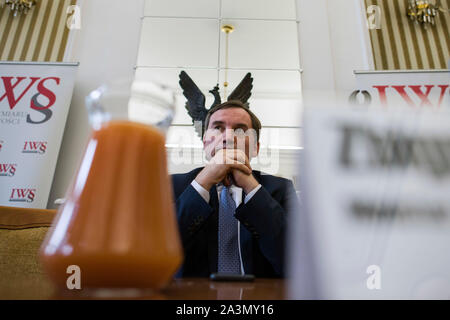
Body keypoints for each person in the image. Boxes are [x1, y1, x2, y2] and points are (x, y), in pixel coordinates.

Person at [171, 100, 298, 278]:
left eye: (240, 130)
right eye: (218, 127)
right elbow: (160, 247)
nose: (228, 138)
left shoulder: (281, 189)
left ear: (256, 148)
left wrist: (250, 186)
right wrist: (203, 181)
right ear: (205, 142)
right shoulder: (174, 186)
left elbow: (295, 260)